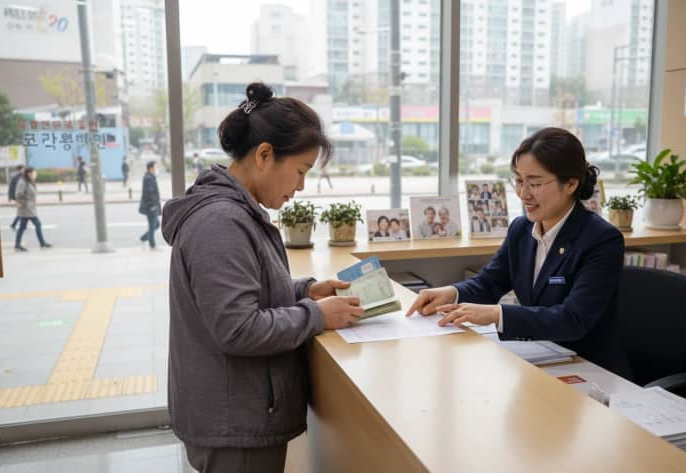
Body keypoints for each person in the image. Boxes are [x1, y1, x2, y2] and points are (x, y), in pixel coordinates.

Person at [161, 82, 363, 473]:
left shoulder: (234, 212)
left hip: (235, 414)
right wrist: (318, 315)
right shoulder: (221, 222)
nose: (300, 187)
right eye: (300, 171)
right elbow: (238, 328)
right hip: (234, 423)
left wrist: (306, 291)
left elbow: (244, 294)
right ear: (264, 155)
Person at [406, 127, 633, 380]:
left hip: (590, 370)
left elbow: (573, 319)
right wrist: (451, 292)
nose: (523, 194)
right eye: (519, 181)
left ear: (570, 183)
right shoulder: (521, 229)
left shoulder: (601, 239)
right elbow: (490, 282)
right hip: (540, 359)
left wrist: (496, 314)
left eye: (535, 183)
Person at [14, 167, 51, 251]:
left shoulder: (29, 181)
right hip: (26, 209)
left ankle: (17, 245)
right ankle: (42, 243)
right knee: (37, 224)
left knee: (22, 227)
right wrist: (24, 204)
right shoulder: (23, 182)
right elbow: (18, 194)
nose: (35, 174)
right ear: (29, 173)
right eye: (34, 173)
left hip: (29, 208)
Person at [138, 161, 161, 249]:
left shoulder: (150, 177)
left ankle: (143, 238)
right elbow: (149, 193)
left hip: (152, 205)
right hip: (151, 206)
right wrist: (153, 205)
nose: (156, 169)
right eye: (155, 167)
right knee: (152, 226)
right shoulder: (149, 178)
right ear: (151, 168)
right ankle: (152, 245)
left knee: (156, 224)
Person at [8, 164, 24, 230]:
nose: (24, 170)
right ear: (20, 170)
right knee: (22, 211)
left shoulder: (24, 176)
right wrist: (10, 197)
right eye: (23, 169)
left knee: (23, 211)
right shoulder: (16, 177)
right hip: (18, 197)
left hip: (23, 197)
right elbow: (11, 188)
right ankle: (14, 224)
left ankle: (20, 224)